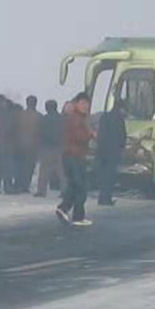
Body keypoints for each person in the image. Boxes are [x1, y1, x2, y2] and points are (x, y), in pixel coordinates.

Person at [56, 93, 94, 226]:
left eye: (87, 104)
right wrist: (90, 134)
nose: (86, 106)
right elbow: (78, 137)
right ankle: (77, 216)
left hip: (74, 155)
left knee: (74, 185)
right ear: (76, 104)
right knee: (80, 187)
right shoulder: (75, 119)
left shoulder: (79, 118)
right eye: (83, 103)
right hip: (73, 156)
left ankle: (63, 209)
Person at [95, 104, 127, 206]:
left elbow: (100, 135)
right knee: (110, 177)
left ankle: (102, 198)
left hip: (102, 151)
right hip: (113, 152)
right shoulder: (119, 120)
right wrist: (121, 148)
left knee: (104, 176)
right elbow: (122, 136)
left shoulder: (104, 117)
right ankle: (106, 199)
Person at [35, 100, 65, 196]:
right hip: (59, 147)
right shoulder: (61, 119)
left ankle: (41, 191)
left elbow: (39, 133)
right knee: (62, 171)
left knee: (44, 171)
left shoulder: (44, 119)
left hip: (46, 147)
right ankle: (65, 191)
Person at [13, 95, 41, 193]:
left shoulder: (19, 115)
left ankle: (18, 184)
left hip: (20, 145)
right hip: (33, 146)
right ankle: (25, 185)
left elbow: (15, 129)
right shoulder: (39, 116)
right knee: (29, 167)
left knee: (20, 167)